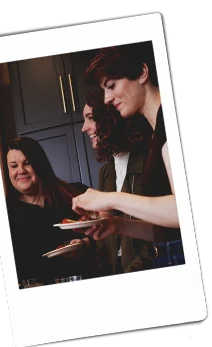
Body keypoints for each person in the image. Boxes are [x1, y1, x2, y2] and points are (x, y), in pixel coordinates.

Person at [72, 42, 185, 268]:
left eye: (111, 86)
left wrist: (110, 198)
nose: (106, 99)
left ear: (142, 73)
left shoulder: (171, 121)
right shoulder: (158, 131)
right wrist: (119, 225)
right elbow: (170, 230)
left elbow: (184, 210)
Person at [78, 90, 156, 274]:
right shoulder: (106, 171)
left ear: (109, 120)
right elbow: (108, 234)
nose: (84, 127)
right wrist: (87, 242)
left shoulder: (149, 161)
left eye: (90, 118)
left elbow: (162, 234)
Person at [6, 137, 95, 287]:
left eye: (27, 163)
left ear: (40, 165)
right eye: (14, 166)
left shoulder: (75, 193)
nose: (21, 170)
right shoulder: (5, 213)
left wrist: (86, 243)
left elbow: (109, 235)